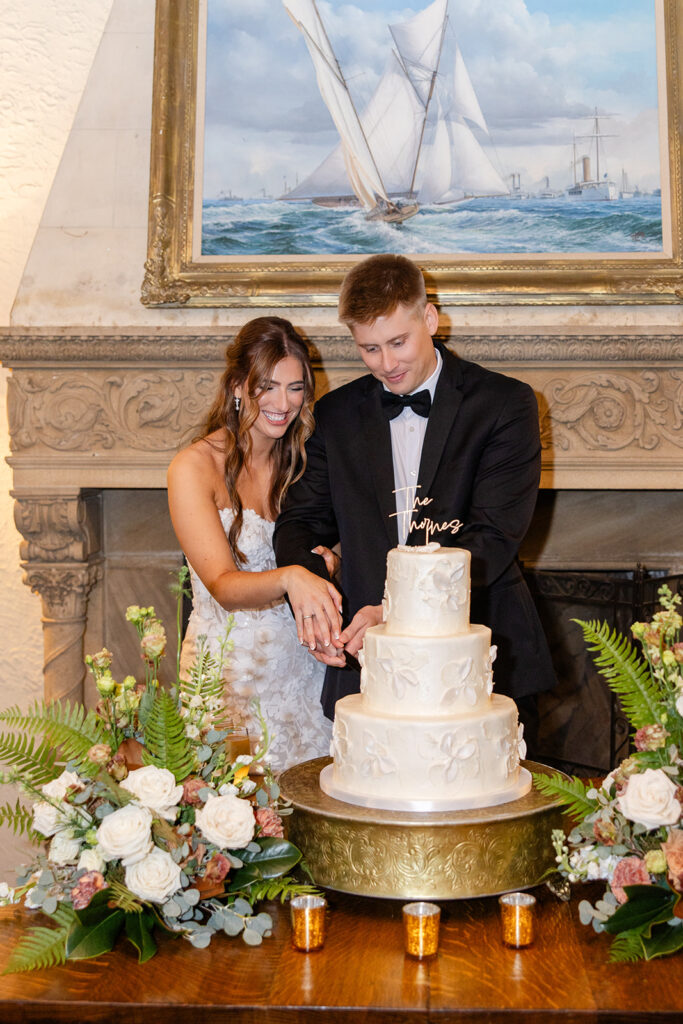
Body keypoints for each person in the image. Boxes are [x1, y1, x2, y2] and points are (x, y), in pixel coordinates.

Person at [273, 254, 556, 754]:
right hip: (366, 664)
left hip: (480, 660)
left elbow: (492, 537)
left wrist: (398, 610)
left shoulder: (505, 404)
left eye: (398, 342)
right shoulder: (335, 415)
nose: (386, 364)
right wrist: (304, 584)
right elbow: (300, 521)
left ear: (430, 319)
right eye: (369, 349)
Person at [167, 316, 342, 771]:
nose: (284, 403)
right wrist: (291, 577)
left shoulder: (302, 461)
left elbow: (329, 546)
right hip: (230, 682)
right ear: (238, 385)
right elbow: (223, 585)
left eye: (296, 387)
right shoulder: (193, 467)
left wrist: (327, 565)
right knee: (241, 824)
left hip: (302, 671)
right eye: (269, 386)